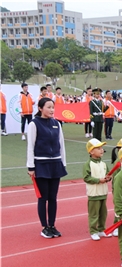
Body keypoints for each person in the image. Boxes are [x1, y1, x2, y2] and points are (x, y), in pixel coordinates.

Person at [26, 98, 67, 238]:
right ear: (40, 108)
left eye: (52, 107)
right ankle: (44, 227)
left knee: (53, 197)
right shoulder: (34, 124)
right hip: (41, 164)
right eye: (48, 107)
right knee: (43, 198)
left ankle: (52, 225)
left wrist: (63, 163)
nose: (51, 110)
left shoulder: (57, 124)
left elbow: (61, 145)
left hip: (55, 164)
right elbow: (30, 146)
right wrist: (31, 166)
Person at [83, 139, 112, 241]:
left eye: (102, 148)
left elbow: (108, 174)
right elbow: (86, 178)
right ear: (91, 152)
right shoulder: (88, 164)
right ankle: (93, 231)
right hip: (94, 193)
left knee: (103, 213)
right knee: (94, 214)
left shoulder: (103, 163)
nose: (101, 150)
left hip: (103, 192)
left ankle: (101, 229)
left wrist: (108, 178)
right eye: (98, 148)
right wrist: (98, 180)